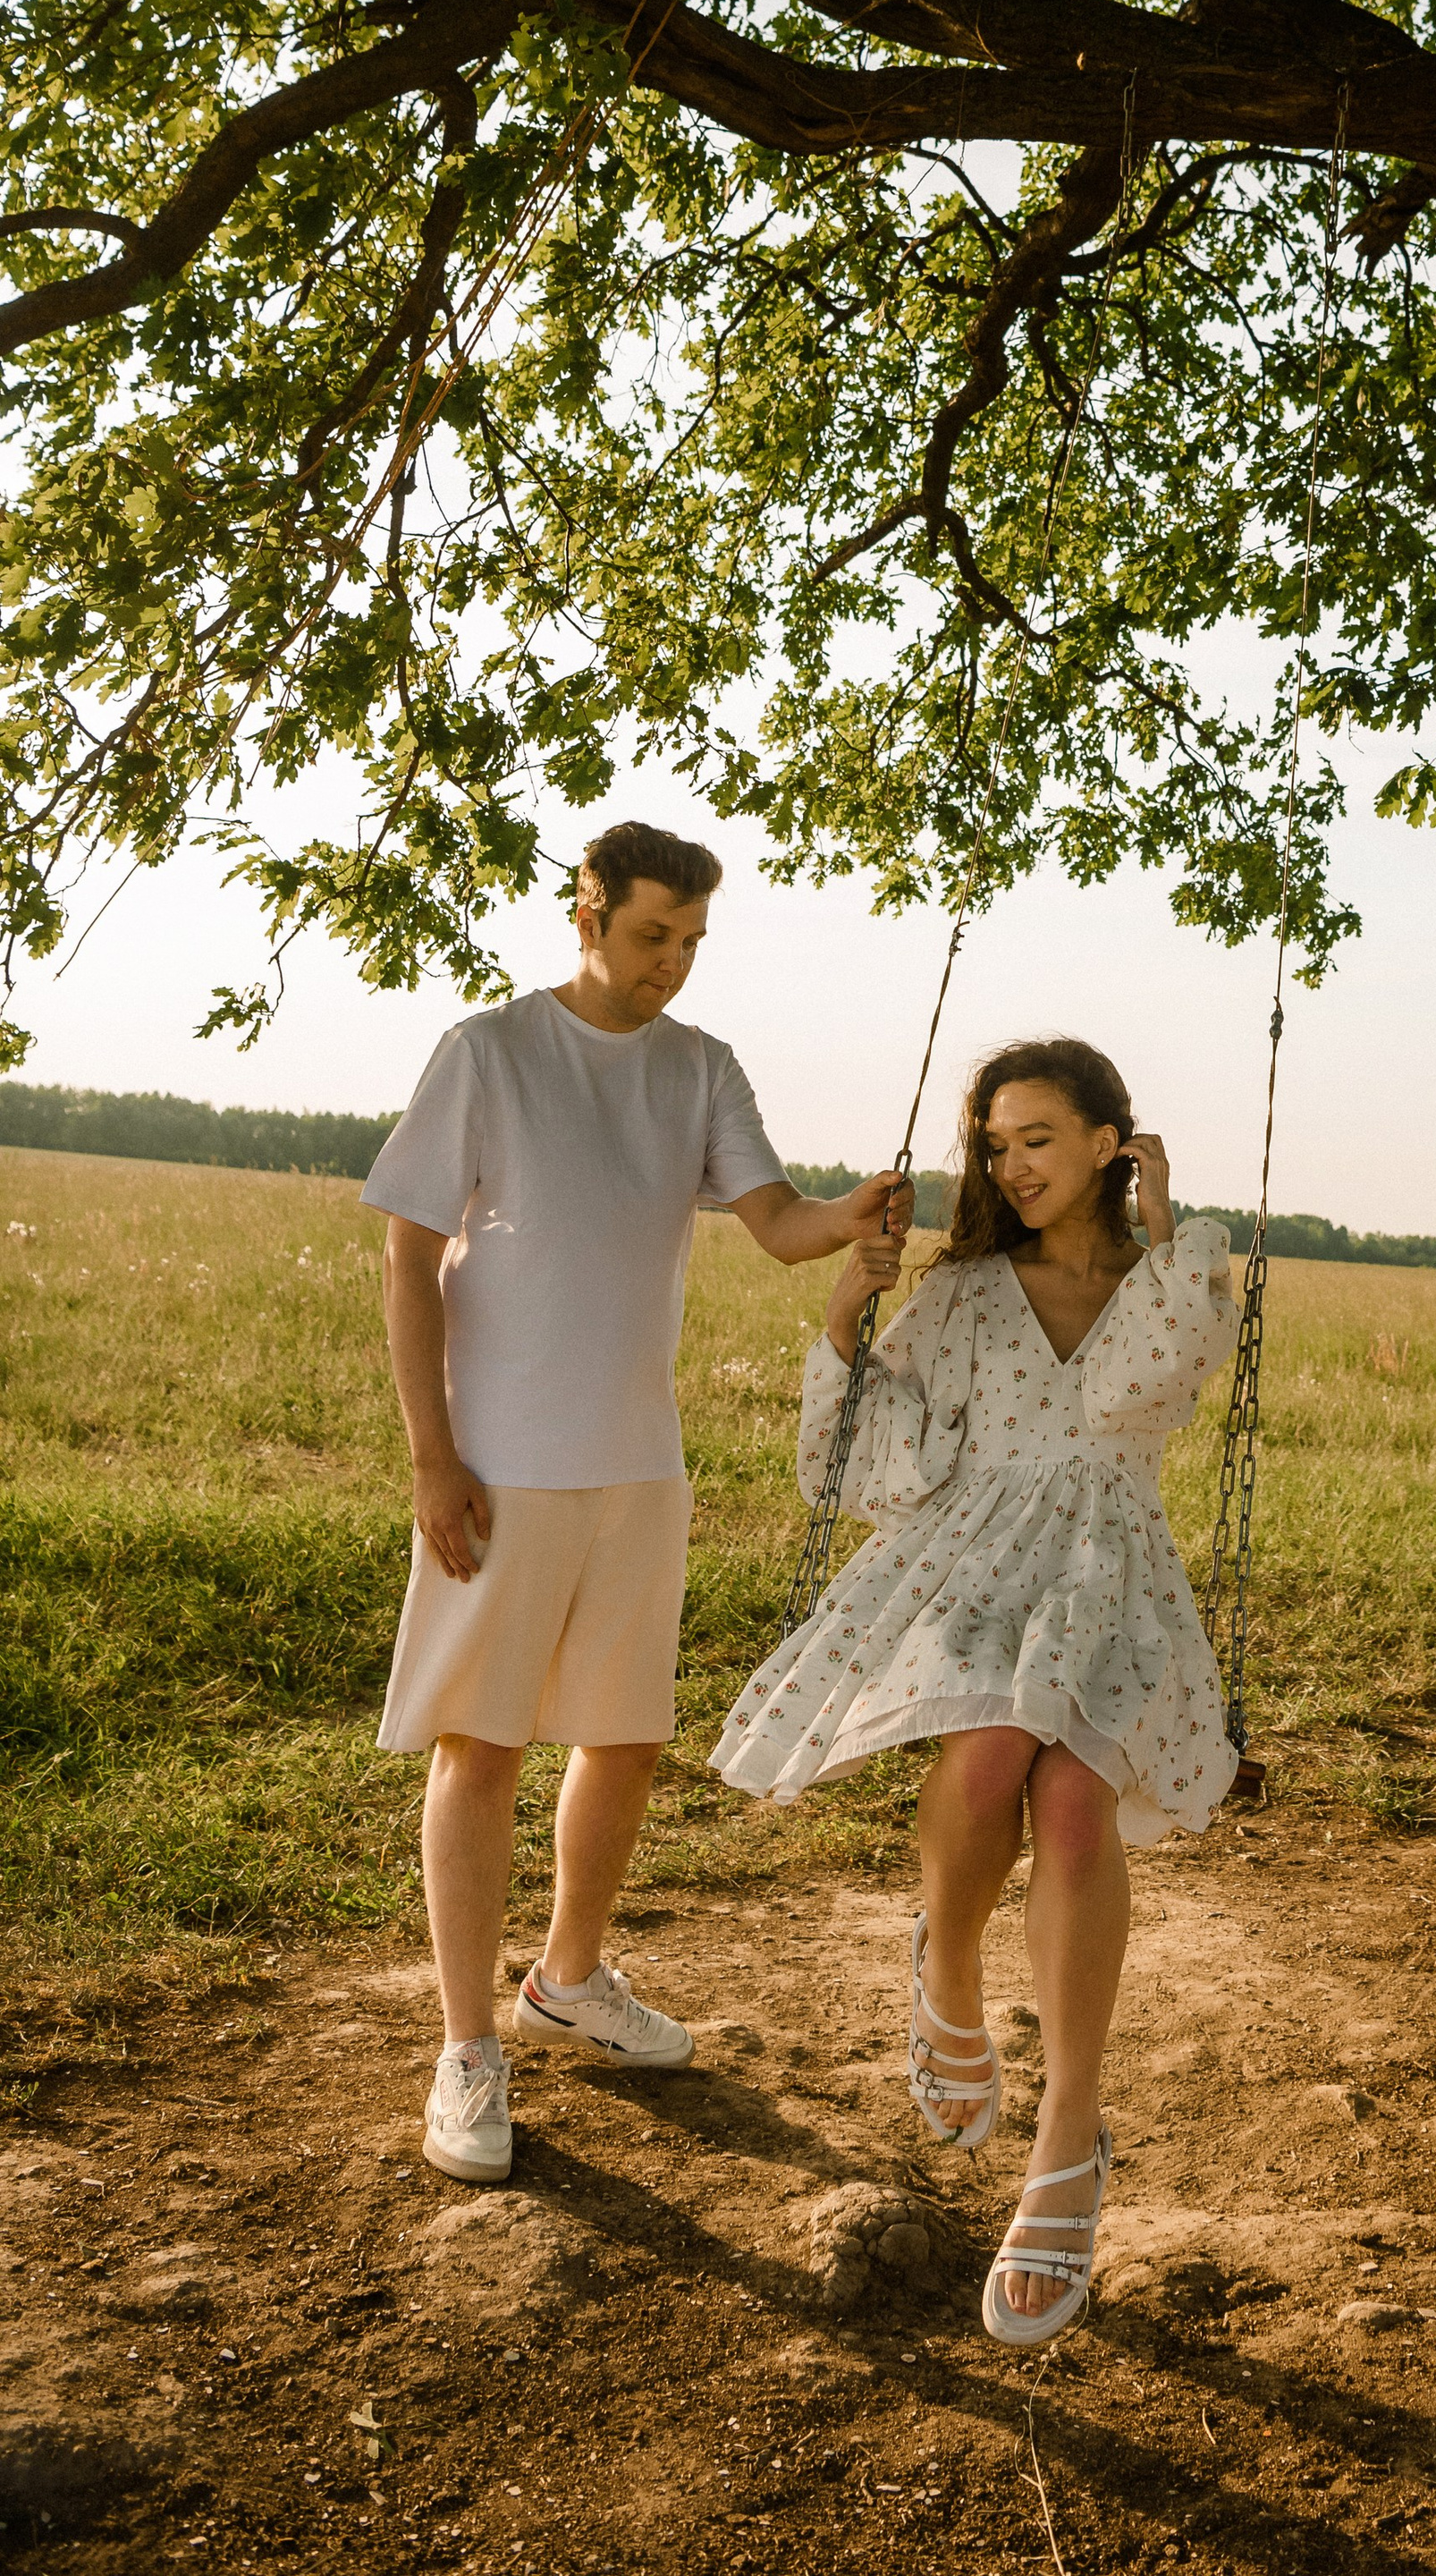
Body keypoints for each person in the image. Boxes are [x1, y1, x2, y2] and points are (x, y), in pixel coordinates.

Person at [365, 817, 910, 2188]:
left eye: (693, 944)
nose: (673, 964)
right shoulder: (488, 1052)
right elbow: (407, 1260)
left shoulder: (700, 1068)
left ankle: (569, 1978)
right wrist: (433, 1457)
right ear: (588, 914)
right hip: (497, 1462)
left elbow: (776, 1224)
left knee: (624, 1739)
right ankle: (468, 2050)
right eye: (653, 934)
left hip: (638, 1463)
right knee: (480, 1749)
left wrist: (852, 1218)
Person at [711, 1036, 1238, 2347]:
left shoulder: (1182, 1272)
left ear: (1115, 1139)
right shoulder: (958, 1294)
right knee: (996, 1747)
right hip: (970, 1565)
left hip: (1108, 1569)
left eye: (1041, 1138)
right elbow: (877, 1469)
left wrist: (1169, 1232)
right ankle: (947, 1973)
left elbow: (1159, 1388)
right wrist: (847, 1313)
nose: (1013, 1165)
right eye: (997, 1144)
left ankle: (1068, 2139)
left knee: (1071, 1812)